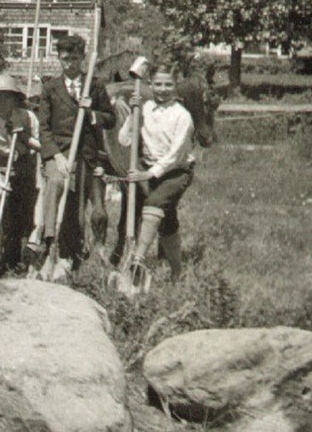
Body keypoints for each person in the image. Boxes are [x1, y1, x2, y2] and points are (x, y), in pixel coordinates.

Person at [33, 33, 115, 277]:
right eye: (65, 58)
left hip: (88, 155)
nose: (69, 64)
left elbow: (110, 119)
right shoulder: (50, 88)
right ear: (59, 58)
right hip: (59, 154)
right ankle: (50, 245)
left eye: (75, 58)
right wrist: (56, 156)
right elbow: (43, 128)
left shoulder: (95, 86)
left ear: (82, 59)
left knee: (94, 209)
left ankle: (93, 252)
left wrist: (91, 113)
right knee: (57, 184)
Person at [117, 65, 195, 281]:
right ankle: (177, 271)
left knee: (153, 204)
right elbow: (124, 140)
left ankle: (136, 262)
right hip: (150, 168)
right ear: (150, 84)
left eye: (168, 84)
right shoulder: (144, 108)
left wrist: (149, 174)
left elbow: (175, 154)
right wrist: (132, 116)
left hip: (177, 171)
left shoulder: (182, 115)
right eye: (158, 84)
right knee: (167, 220)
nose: (162, 89)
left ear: (175, 85)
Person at [0, 74, 41, 275]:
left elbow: (39, 146)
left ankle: (17, 261)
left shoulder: (28, 117)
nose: (2, 102)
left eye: (7, 97)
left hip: (22, 166)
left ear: (14, 99)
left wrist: (24, 138)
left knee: (21, 216)